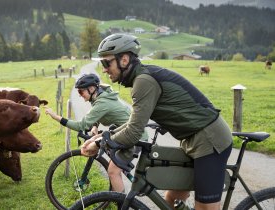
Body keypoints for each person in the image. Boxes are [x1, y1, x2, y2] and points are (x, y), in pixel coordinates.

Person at [81, 33, 233, 210]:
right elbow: (133, 122)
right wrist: (102, 137)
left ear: (124, 59)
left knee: (205, 208)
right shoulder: (142, 78)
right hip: (191, 140)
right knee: (171, 200)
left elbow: (133, 132)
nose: (104, 69)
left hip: (210, 140)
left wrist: (100, 144)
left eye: (107, 63)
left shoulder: (144, 81)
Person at [45, 73, 147, 193]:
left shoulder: (102, 102)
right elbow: (99, 114)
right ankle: (115, 196)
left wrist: (56, 117)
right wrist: (95, 126)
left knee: (113, 172)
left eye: (81, 92)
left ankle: (122, 204)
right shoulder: (101, 96)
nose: (80, 95)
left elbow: (81, 125)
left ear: (92, 89)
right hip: (123, 133)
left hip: (133, 137)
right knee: (105, 155)